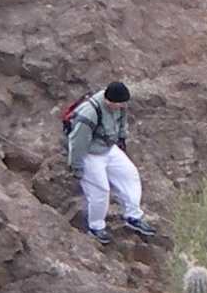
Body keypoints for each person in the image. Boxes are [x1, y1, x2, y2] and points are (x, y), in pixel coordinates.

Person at [67, 80, 158, 245]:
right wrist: (77, 166)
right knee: (100, 190)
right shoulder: (89, 113)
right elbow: (77, 142)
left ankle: (133, 216)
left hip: (108, 147)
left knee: (130, 175)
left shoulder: (120, 104)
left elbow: (121, 121)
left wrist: (122, 139)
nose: (122, 107)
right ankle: (96, 227)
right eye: (119, 104)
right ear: (109, 101)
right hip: (90, 152)